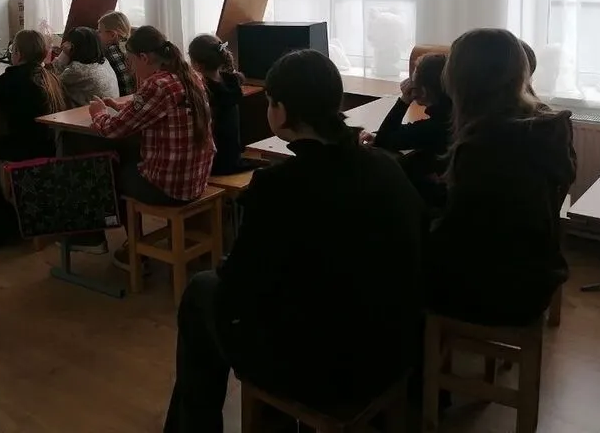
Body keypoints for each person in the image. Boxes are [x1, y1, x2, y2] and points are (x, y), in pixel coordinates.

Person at [164, 50, 424, 432]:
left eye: (270, 101)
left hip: (327, 370)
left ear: (281, 111)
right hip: (395, 350)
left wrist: (227, 269)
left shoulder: (279, 186)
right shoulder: (387, 166)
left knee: (202, 292)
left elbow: (241, 286)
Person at [426, 28, 575, 326]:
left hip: (496, 291)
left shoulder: (482, 144)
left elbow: (456, 234)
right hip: (537, 275)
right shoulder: (548, 127)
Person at [89, 26, 215, 269]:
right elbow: (156, 111)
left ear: (144, 57)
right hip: (197, 178)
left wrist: (99, 113)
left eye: (131, 61)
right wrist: (119, 107)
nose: (131, 67)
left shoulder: (157, 85)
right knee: (129, 156)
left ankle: (134, 251)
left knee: (109, 172)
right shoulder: (189, 76)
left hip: (170, 186)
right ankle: (135, 247)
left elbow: (112, 130)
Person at [0, 29, 65, 251]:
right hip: (50, 144)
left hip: (24, 148)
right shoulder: (49, 75)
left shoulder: (11, 80)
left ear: (18, 54)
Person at [372, 52, 452, 209]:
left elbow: (383, 140)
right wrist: (378, 134)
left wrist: (404, 100)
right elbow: (396, 134)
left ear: (423, 91)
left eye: (412, 83)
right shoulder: (453, 115)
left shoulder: (433, 128)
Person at [187, 34, 260, 176]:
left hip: (214, 164)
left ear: (197, 65)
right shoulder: (232, 81)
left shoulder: (203, 90)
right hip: (233, 158)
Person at [53, 27, 120, 107]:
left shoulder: (77, 70)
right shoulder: (104, 61)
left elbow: (52, 81)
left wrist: (64, 53)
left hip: (89, 113)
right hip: (111, 109)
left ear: (73, 47)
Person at [97, 11, 136, 96]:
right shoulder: (130, 48)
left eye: (100, 31)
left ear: (112, 35)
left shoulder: (109, 52)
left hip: (119, 97)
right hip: (131, 96)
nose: (97, 34)